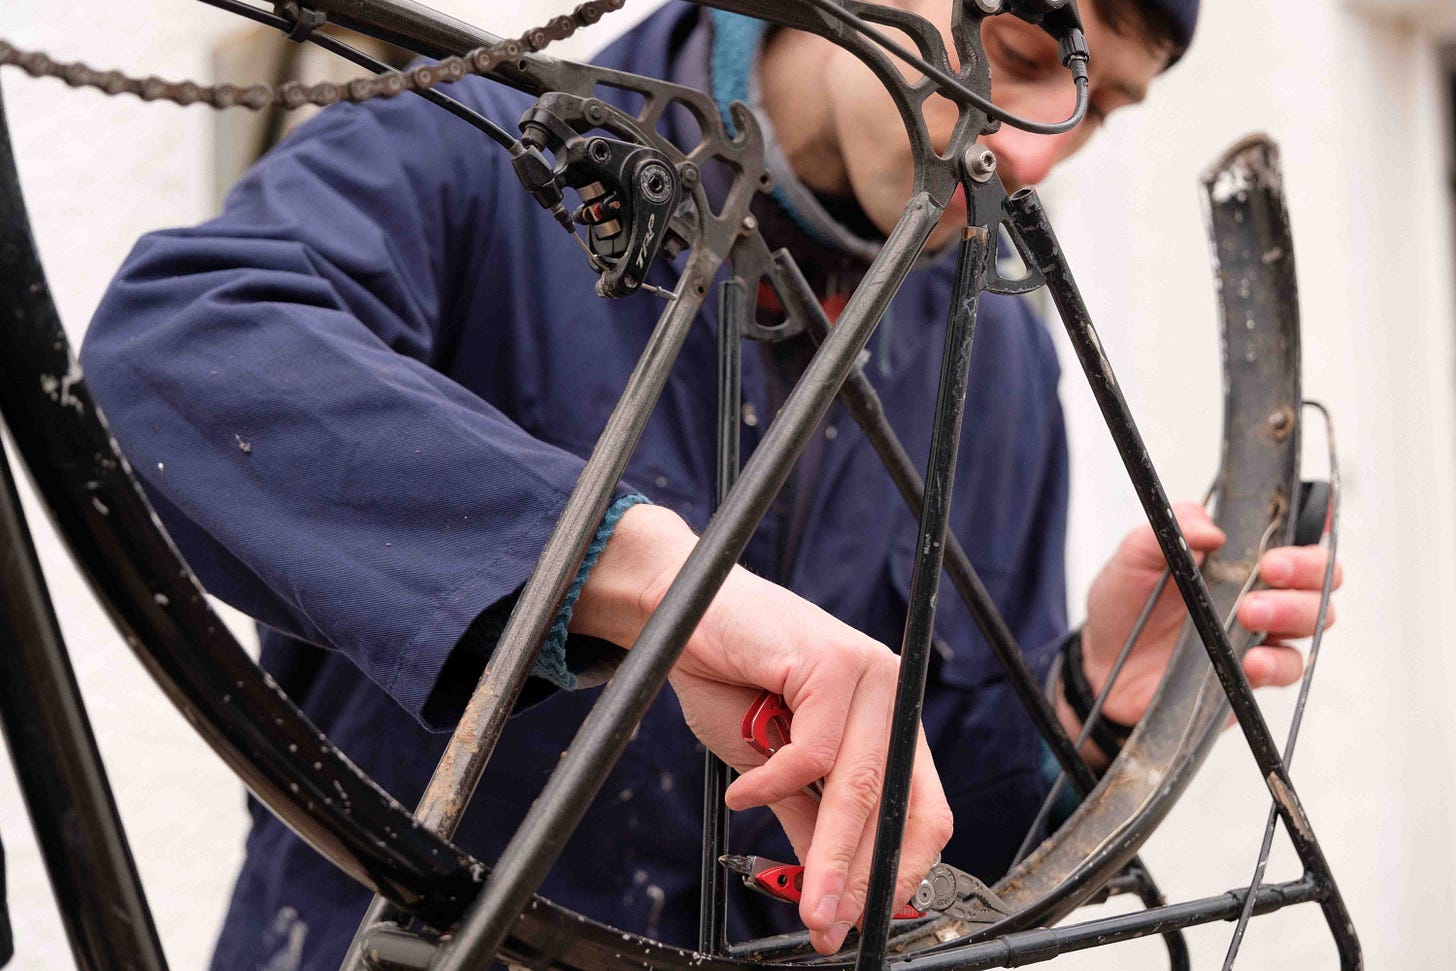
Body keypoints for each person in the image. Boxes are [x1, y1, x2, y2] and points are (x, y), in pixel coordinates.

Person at [80, 1, 1340, 968]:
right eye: (1014, 47)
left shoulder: (993, 353)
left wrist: (1089, 697)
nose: (1028, 149)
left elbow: (915, 853)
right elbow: (185, 341)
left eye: (1098, 108)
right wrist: (643, 576)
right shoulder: (488, 144)